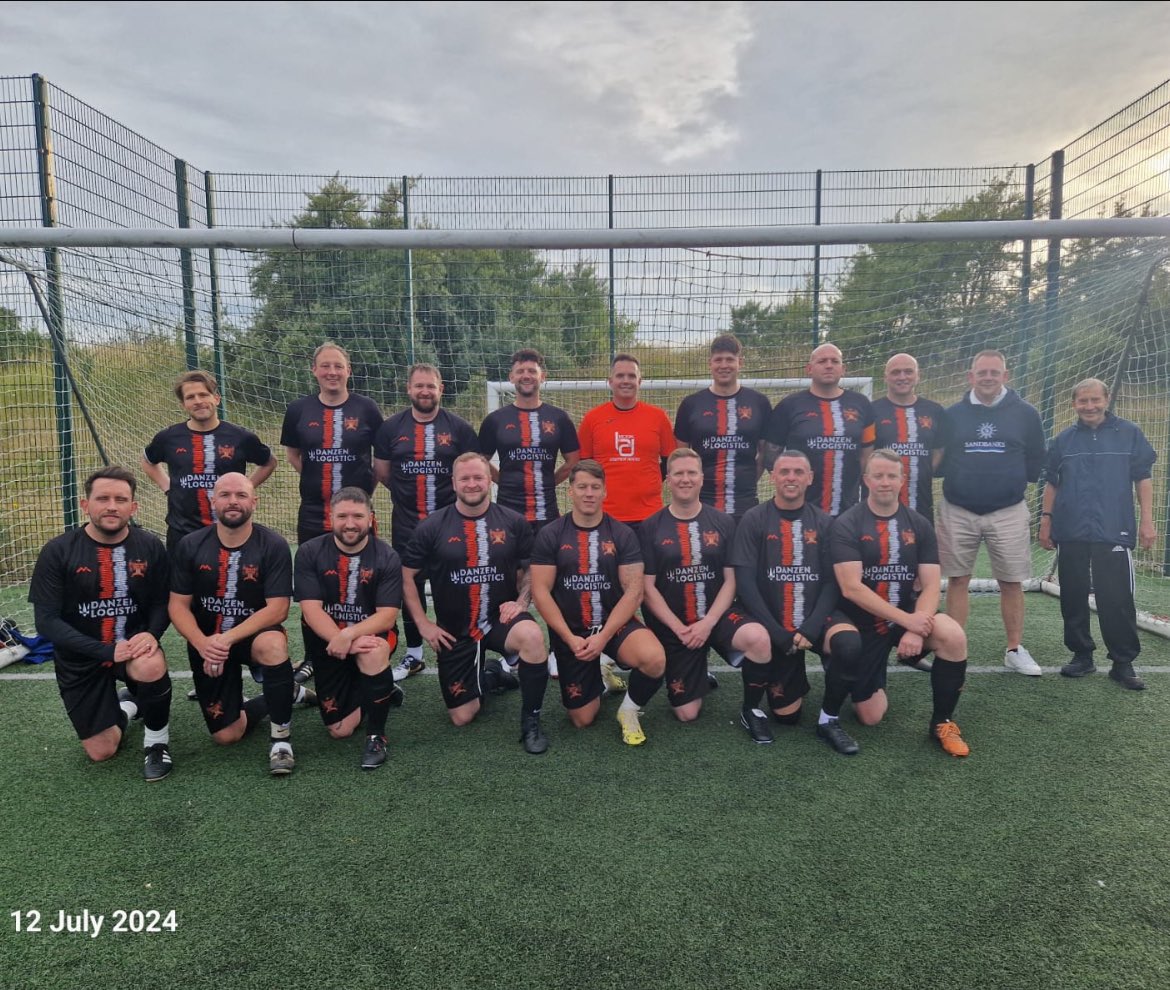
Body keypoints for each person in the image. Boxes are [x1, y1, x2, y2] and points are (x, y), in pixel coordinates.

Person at [29, 466, 174, 781]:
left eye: (121, 499)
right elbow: (47, 622)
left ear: (133, 507)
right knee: (102, 751)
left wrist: (151, 633)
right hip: (82, 656)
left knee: (149, 665)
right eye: (103, 498)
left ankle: (157, 743)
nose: (112, 506)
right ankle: (127, 707)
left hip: (133, 646)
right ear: (85, 505)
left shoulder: (150, 546)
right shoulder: (58, 551)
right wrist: (105, 651)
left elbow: (162, 602)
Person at [400, 453, 550, 753]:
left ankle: (531, 721)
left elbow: (531, 568)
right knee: (462, 716)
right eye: (465, 478)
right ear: (454, 483)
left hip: (499, 619)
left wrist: (522, 601)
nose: (472, 484)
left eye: (478, 477)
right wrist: (424, 625)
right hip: (456, 630)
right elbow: (406, 576)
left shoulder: (513, 521)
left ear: (489, 481)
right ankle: (493, 675)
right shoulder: (431, 527)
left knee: (533, 636)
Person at [169, 472, 314, 775]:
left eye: (241, 495)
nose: (233, 501)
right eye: (225, 495)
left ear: (254, 501)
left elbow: (278, 609)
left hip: (251, 636)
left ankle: (281, 740)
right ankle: (282, 694)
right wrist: (203, 643)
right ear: (212, 500)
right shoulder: (189, 545)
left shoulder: (273, 544)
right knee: (227, 736)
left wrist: (226, 639)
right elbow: (177, 606)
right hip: (207, 642)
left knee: (273, 645)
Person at [829, 450, 972, 757]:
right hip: (863, 623)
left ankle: (943, 722)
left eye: (892, 476)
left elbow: (932, 584)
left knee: (953, 635)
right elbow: (851, 588)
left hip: (907, 615)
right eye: (878, 476)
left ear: (902, 480)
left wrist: (916, 627)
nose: (885, 482)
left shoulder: (918, 524)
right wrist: (908, 623)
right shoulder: (847, 523)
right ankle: (866, 669)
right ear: (866, 480)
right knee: (870, 717)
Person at [729, 450, 862, 747]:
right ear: (773, 476)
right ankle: (753, 707)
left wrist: (813, 626)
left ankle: (829, 720)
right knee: (787, 717)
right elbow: (746, 583)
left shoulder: (826, 522)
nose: (791, 478)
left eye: (799, 472)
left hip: (815, 616)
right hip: (773, 620)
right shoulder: (754, 519)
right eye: (785, 471)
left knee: (849, 644)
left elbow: (831, 581)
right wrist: (777, 632)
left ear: (810, 478)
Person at [531, 460, 666, 746]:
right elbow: (540, 591)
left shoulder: (623, 534)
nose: (588, 493)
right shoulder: (551, 534)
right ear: (571, 491)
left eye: (595, 487)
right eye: (582, 487)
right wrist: (568, 638)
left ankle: (628, 711)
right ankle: (603, 677)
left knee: (654, 659)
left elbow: (633, 592)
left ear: (605, 491)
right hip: (573, 634)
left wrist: (603, 637)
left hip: (613, 627)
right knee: (582, 719)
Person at [1040, 378, 1158, 690]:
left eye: (1095, 400)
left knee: (1116, 597)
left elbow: (1143, 478)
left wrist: (1147, 521)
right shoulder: (1063, 440)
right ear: (1074, 404)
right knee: (1073, 594)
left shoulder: (1129, 433)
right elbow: (1053, 483)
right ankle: (1082, 655)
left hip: (1114, 527)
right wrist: (1046, 521)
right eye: (1083, 401)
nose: (1089, 406)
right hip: (1072, 528)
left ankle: (1122, 662)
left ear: (1106, 400)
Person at [640, 448, 772, 724]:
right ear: (668, 479)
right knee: (686, 714)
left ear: (702, 478)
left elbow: (731, 579)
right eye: (678, 473)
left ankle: (752, 711)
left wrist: (708, 622)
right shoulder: (651, 526)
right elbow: (647, 587)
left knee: (758, 639)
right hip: (677, 626)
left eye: (691, 473)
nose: (685, 479)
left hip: (718, 616)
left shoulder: (723, 521)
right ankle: (696, 667)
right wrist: (679, 628)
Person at [939, 349, 1046, 676]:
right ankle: (953, 648)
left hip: (1008, 510)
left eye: (994, 372)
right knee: (957, 580)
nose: (988, 378)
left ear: (1005, 375)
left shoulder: (1026, 413)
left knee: (1011, 582)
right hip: (958, 509)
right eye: (981, 372)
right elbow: (941, 459)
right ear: (970, 376)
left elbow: (1036, 460)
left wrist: (1006, 484)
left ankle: (1014, 648)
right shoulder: (952, 414)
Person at [374, 363, 479, 682]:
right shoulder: (390, 428)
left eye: (430, 386)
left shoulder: (459, 428)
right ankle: (415, 653)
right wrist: (405, 495)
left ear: (440, 388)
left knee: (457, 584)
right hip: (407, 525)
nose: (425, 391)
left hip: (452, 525)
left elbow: (472, 472)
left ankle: (461, 645)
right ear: (409, 389)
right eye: (419, 386)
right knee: (411, 587)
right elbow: (382, 471)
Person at [294, 487, 405, 769]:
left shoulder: (387, 556)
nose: (350, 523)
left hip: (367, 637)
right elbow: (311, 608)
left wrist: (349, 635)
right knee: (340, 730)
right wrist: (338, 638)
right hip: (326, 644)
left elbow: (387, 617)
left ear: (370, 518)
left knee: (373, 652)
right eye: (342, 516)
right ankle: (382, 689)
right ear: (331, 518)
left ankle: (376, 736)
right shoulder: (309, 552)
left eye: (357, 515)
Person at [142, 370, 277, 550]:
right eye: (190, 397)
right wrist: (167, 486)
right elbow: (148, 461)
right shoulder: (168, 437)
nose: (198, 401)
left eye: (204, 394)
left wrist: (245, 488)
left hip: (229, 531)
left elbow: (269, 462)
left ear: (216, 398)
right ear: (183, 404)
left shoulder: (240, 437)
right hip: (182, 531)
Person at [281, 342, 383, 547]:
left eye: (338, 366)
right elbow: (292, 455)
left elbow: (382, 458)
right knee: (313, 572)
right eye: (325, 366)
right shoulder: (297, 409)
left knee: (360, 573)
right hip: (313, 513)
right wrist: (312, 476)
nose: (332, 372)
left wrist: (364, 491)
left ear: (348, 370)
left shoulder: (367, 408)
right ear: (314, 370)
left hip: (357, 512)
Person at [763, 342, 874, 517]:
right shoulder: (789, 405)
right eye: (822, 361)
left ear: (843, 369)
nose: (829, 365)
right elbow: (770, 456)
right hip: (801, 511)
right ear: (809, 369)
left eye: (834, 361)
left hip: (849, 511)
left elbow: (867, 456)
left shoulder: (861, 404)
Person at [478, 348, 580, 532]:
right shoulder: (495, 420)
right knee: (510, 561)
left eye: (532, 371)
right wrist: (505, 480)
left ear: (542, 377)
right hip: (507, 513)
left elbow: (573, 461)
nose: (526, 376)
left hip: (547, 513)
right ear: (511, 377)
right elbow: (480, 460)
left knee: (546, 561)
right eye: (520, 371)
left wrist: (548, 481)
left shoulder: (559, 418)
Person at [673, 334, 771, 519]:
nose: (724, 365)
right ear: (710, 363)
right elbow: (681, 456)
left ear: (740, 362)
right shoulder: (691, 404)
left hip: (745, 504)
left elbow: (764, 453)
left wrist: (746, 480)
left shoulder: (759, 403)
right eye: (718, 360)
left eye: (730, 360)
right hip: (702, 506)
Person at [577, 353, 677, 531]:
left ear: (639, 381)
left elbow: (670, 461)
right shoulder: (593, 418)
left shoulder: (658, 417)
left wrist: (648, 484)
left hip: (649, 515)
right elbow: (584, 465)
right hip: (604, 515)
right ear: (610, 381)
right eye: (620, 376)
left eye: (631, 376)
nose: (626, 380)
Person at [870, 353, 948, 518]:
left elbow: (938, 450)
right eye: (895, 372)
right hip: (880, 502)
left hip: (921, 500)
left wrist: (924, 471)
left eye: (908, 371)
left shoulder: (934, 410)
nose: (902, 377)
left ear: (918, 376)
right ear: (886, 377)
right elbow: (865, 453)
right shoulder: (872, 411)